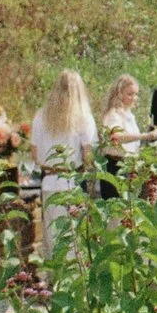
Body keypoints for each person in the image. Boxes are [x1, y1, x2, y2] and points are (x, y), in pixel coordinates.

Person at [27, 69, 97, 254]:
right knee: (75, 241)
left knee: (52, 238)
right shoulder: (84, 118)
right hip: (73, 181)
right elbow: (88, 155)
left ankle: (53, 272)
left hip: (49, 181)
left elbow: (34, 154)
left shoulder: (41, 116)